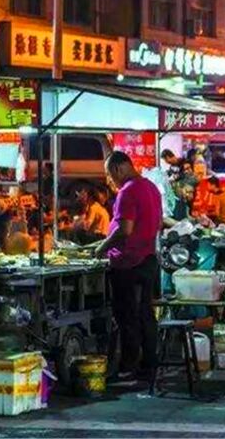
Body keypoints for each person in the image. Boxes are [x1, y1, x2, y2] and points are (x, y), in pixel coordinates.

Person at [93, 152, 163, 385]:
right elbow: (158, 223)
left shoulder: (128, 191)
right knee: (145, 314)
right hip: (148, 259)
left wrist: (101, 248)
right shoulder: (151, 188)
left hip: (128, 263)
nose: (110, 180)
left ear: (120, 168)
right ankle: (148, 367)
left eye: (110, 174)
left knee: (127, 317)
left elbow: (124, 229)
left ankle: (128, 369)